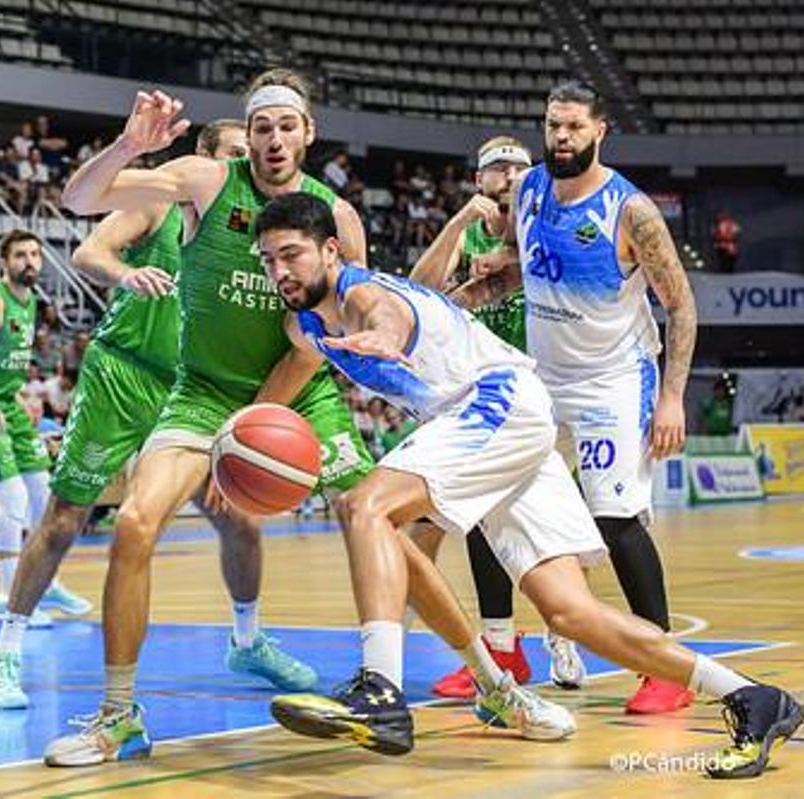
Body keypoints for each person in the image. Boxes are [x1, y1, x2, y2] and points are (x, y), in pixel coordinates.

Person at [41, 75, 529, 766]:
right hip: (203, 391)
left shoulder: (339, 218)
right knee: (133, 521)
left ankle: (494, 682)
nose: (272, 139)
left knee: (385, 531)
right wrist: (128, 146)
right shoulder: (207, 179)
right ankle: (119, 714)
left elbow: (348, 320)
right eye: (262, 126)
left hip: (301, 394)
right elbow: (80, 198)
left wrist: (256, 419)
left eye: (285, 127)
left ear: (308, 133)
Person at [257, 192, 804, 779]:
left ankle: (382, 692)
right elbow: (290, 372)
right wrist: (232, 440)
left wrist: (384, 338)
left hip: (494, 403)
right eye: (267, 260)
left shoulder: (365, 295)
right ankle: (751, 695)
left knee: (363, 506)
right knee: (569, 612)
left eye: (291, 254)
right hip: (509, 424)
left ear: (331, 250)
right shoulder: (306, 324)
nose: (279, 270)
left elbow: (385, 318)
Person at [0, 119, 318, 710]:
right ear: (205, 158)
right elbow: (89, 249)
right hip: (125, 373)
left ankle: (248, 638)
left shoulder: (257, 238)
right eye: (236, 155)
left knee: (239, 517)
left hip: (195, 389)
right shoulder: (167, 202)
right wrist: (126, 274)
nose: (247, 169)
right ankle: (5, 651)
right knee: (64, 517)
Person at [451, 81, 700, 715]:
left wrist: (671, 397)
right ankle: (503, 648)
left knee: (615, 521)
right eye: (553, 126)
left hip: (614, 382)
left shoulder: (630, 210)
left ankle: (665, 667)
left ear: (599, 131)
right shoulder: (530, 187)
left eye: (573, 128)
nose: (561, 138)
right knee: (486, 496)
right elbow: (521, 266)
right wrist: (478, 288)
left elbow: (680, 305)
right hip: (543, 376)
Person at [407, 135, 536, 698]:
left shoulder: (548, 226)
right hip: (485, 392)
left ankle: (559, 638)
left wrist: (508, 261)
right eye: (495, 169)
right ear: (478, 181)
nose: (506, 176)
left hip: (551, 388)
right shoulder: (468, 231)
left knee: (580, 525)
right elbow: (416, 290)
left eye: (517, 168)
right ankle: (502, 646)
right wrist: (458, 223)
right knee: (483, 519)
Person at [0, 230, 89, 628]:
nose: (30, 262)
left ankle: (48, 583)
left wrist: (19, 395)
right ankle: (7, 599)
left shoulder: (33, 302)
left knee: (44, 498)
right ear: (4, 263)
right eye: (20, 255)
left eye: (35, 255)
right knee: (13, 498)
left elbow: (4, 364)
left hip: (9, 406)